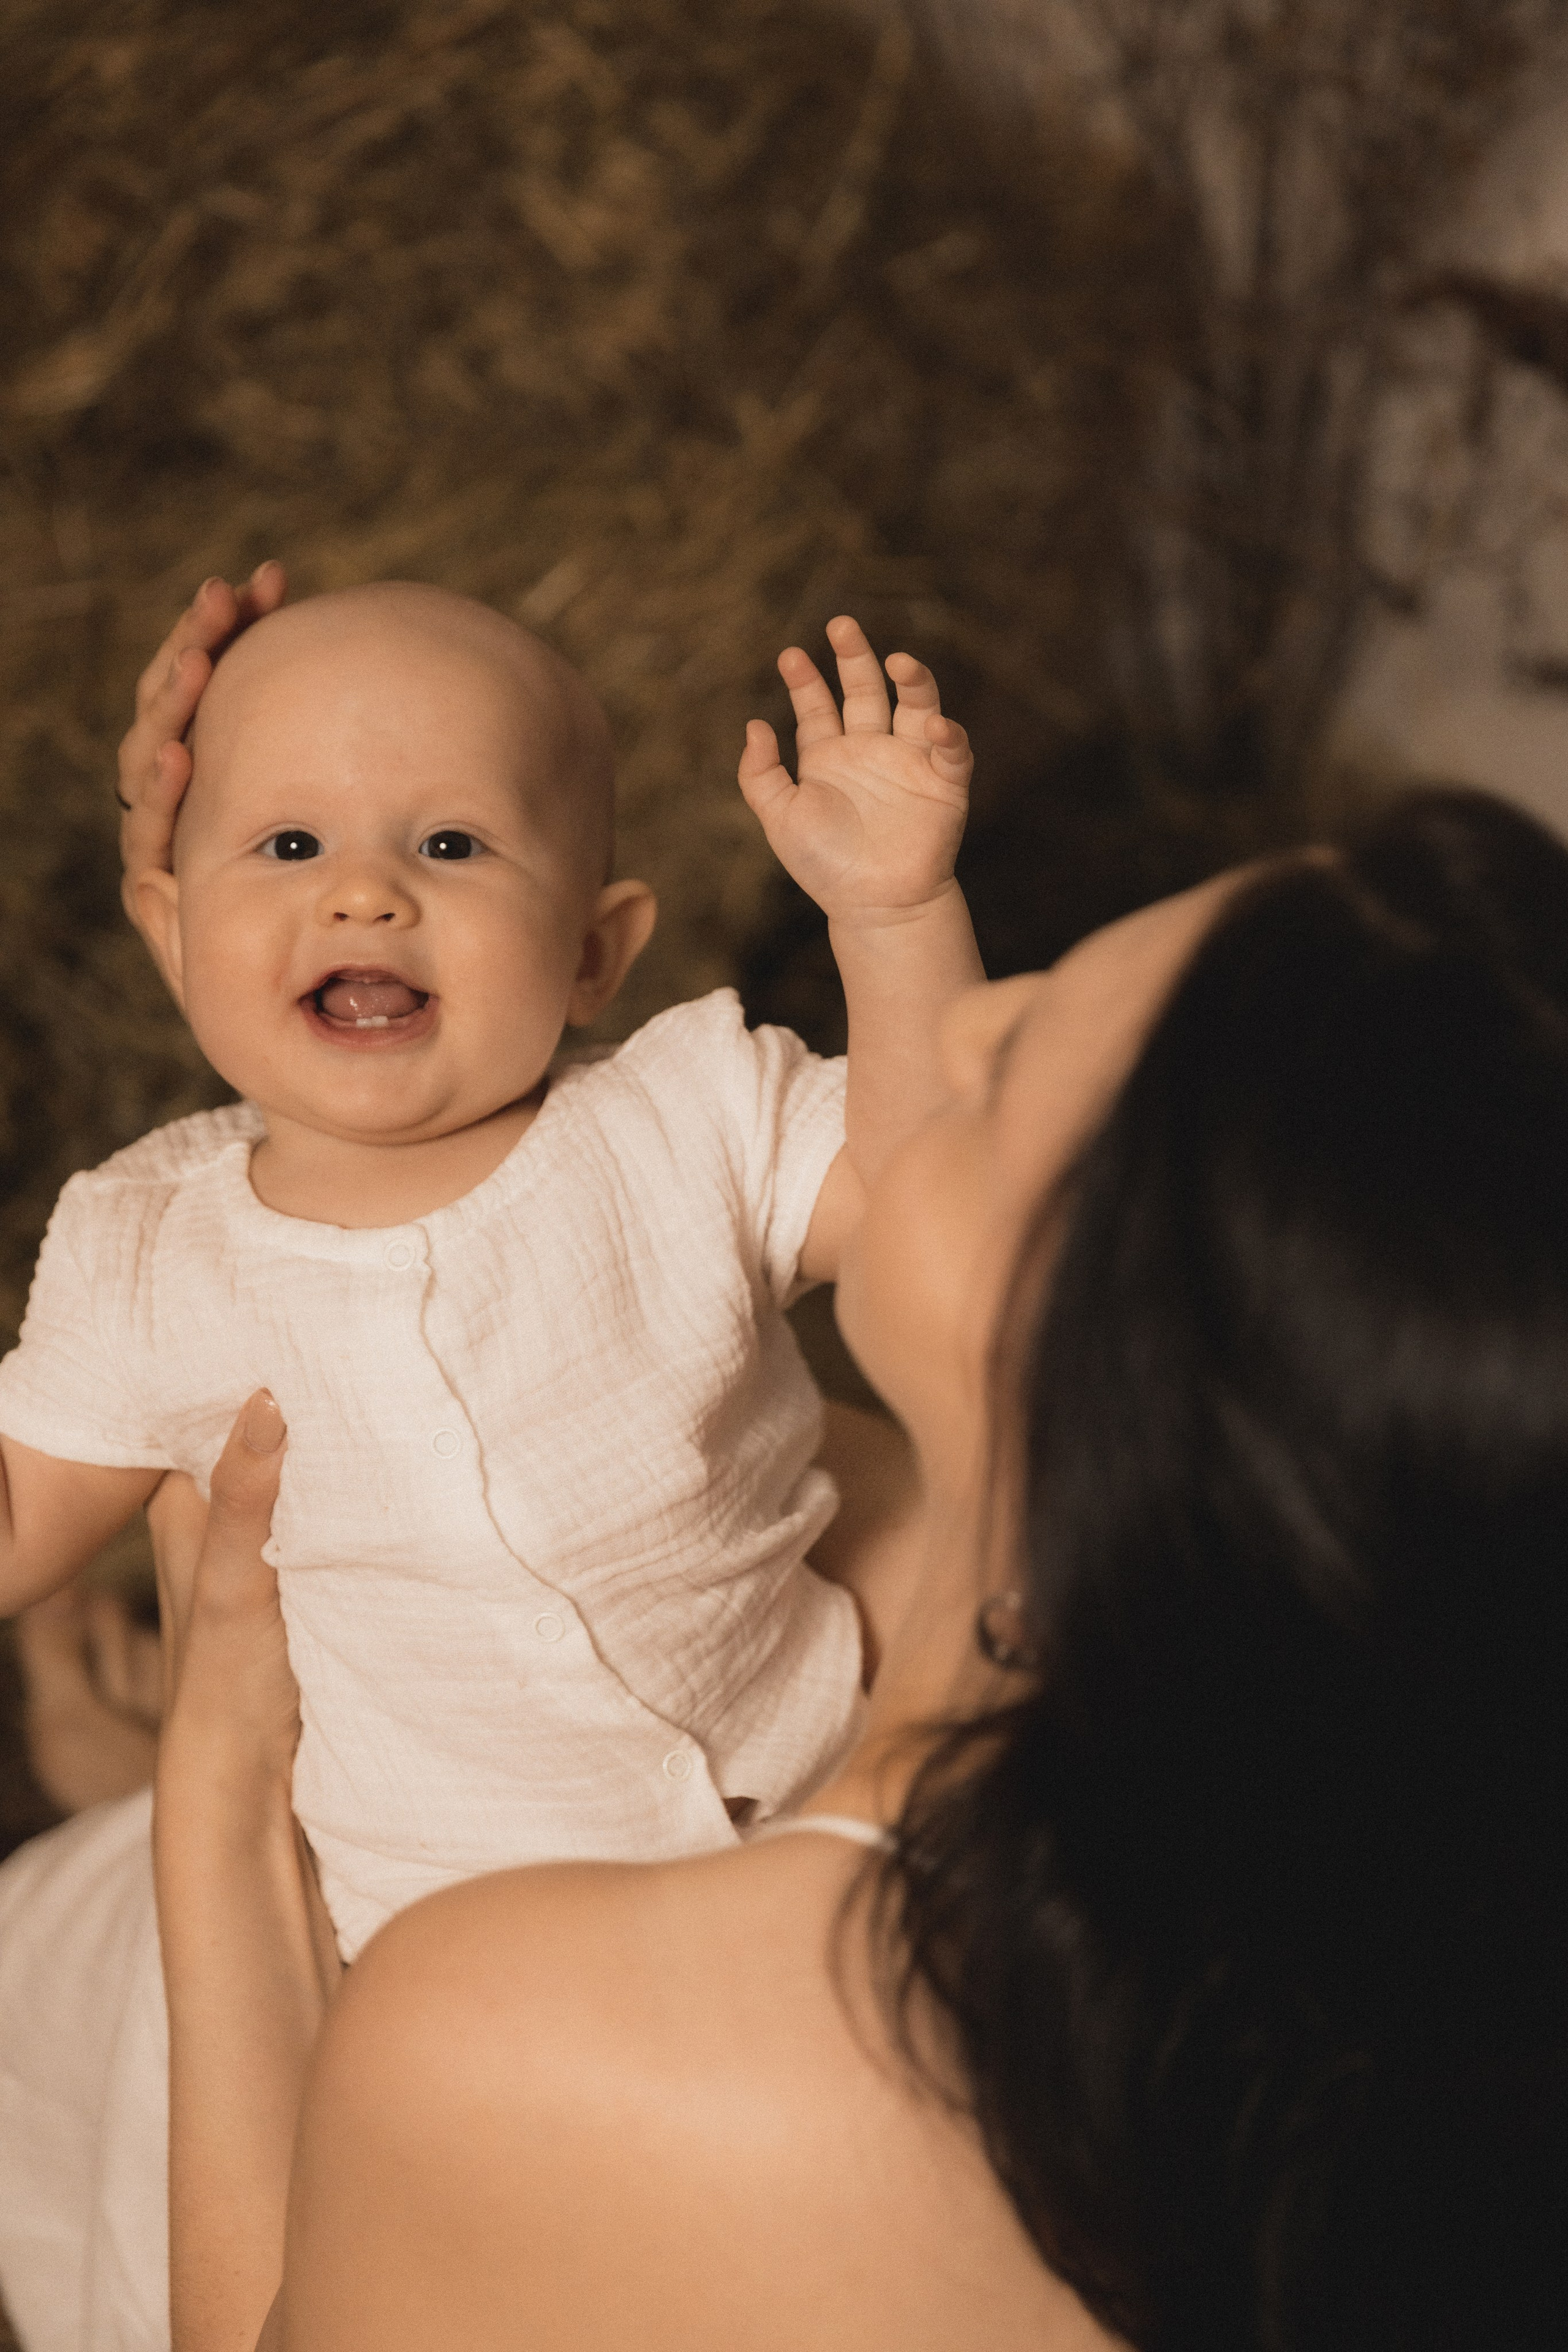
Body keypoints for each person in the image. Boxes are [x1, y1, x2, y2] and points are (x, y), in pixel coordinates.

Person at [141, 782, 1567, 2349]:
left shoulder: (505, 2038)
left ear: (1106, 1336)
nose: (959, 1028)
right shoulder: (1418, 1919)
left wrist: (211, 1777)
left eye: (1018, 1059)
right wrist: (267, 845)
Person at [0, 571, 968, 2348]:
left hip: (823, 1809)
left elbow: (932, 1197)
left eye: (450, 847)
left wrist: (893, 917)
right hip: (441, 1952)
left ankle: (120, 1771)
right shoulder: (148, 1252)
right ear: (167, 923)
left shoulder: (688, 1114)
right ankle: (116, 1786)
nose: (364, 889)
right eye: (285, 847)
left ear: (596, 949)